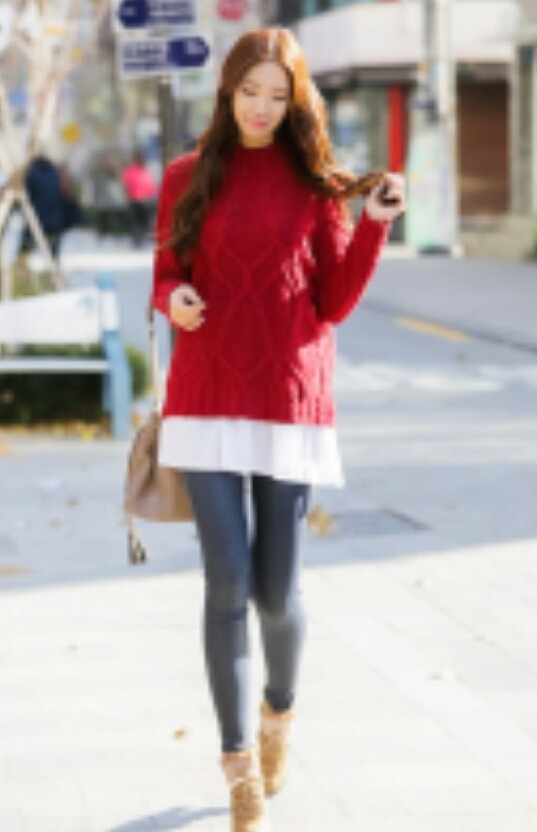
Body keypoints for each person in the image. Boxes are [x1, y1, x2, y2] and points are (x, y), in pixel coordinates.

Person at [152, 27, 405, 832]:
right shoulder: (186, 176)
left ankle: (278, 713)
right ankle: (237, 766)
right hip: (205, 393)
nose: (260, 107)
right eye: (249, 91)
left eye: (276, 95)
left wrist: (371, 225)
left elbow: (332, 303)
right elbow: (166, 271)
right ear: (227, 91)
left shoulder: (316, 185)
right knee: (225, 584)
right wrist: (172, 299)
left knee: (275, 589)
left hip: (287, 399)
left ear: (295, 101)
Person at [121, 150, 157, 245]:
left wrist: (152, 194)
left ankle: (143, 238)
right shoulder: (130, 171)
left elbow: (150, 185)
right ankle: (137, 239)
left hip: (145, 200)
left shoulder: (144, 171)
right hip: (134, 200)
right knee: (137, 221)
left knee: (144, 220)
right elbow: (126, 184)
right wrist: (128, 195)